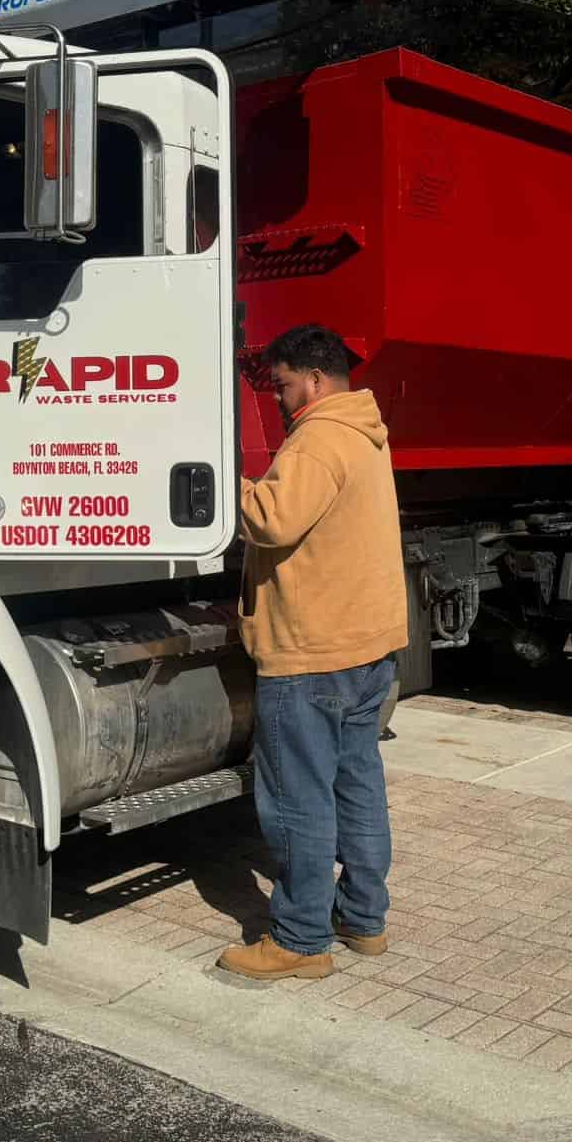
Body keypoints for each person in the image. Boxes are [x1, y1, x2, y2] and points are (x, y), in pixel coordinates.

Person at [219, 324, 407, 982]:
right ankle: (362, 917)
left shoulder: (319, 437)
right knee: (356, 784)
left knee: (299, 798)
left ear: (316, 380)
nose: (277, 397)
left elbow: (273, 518)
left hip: (312, 648)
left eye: (283, 383)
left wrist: (219, 485)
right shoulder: (362, 432)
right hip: (365, 646)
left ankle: (299, 941)